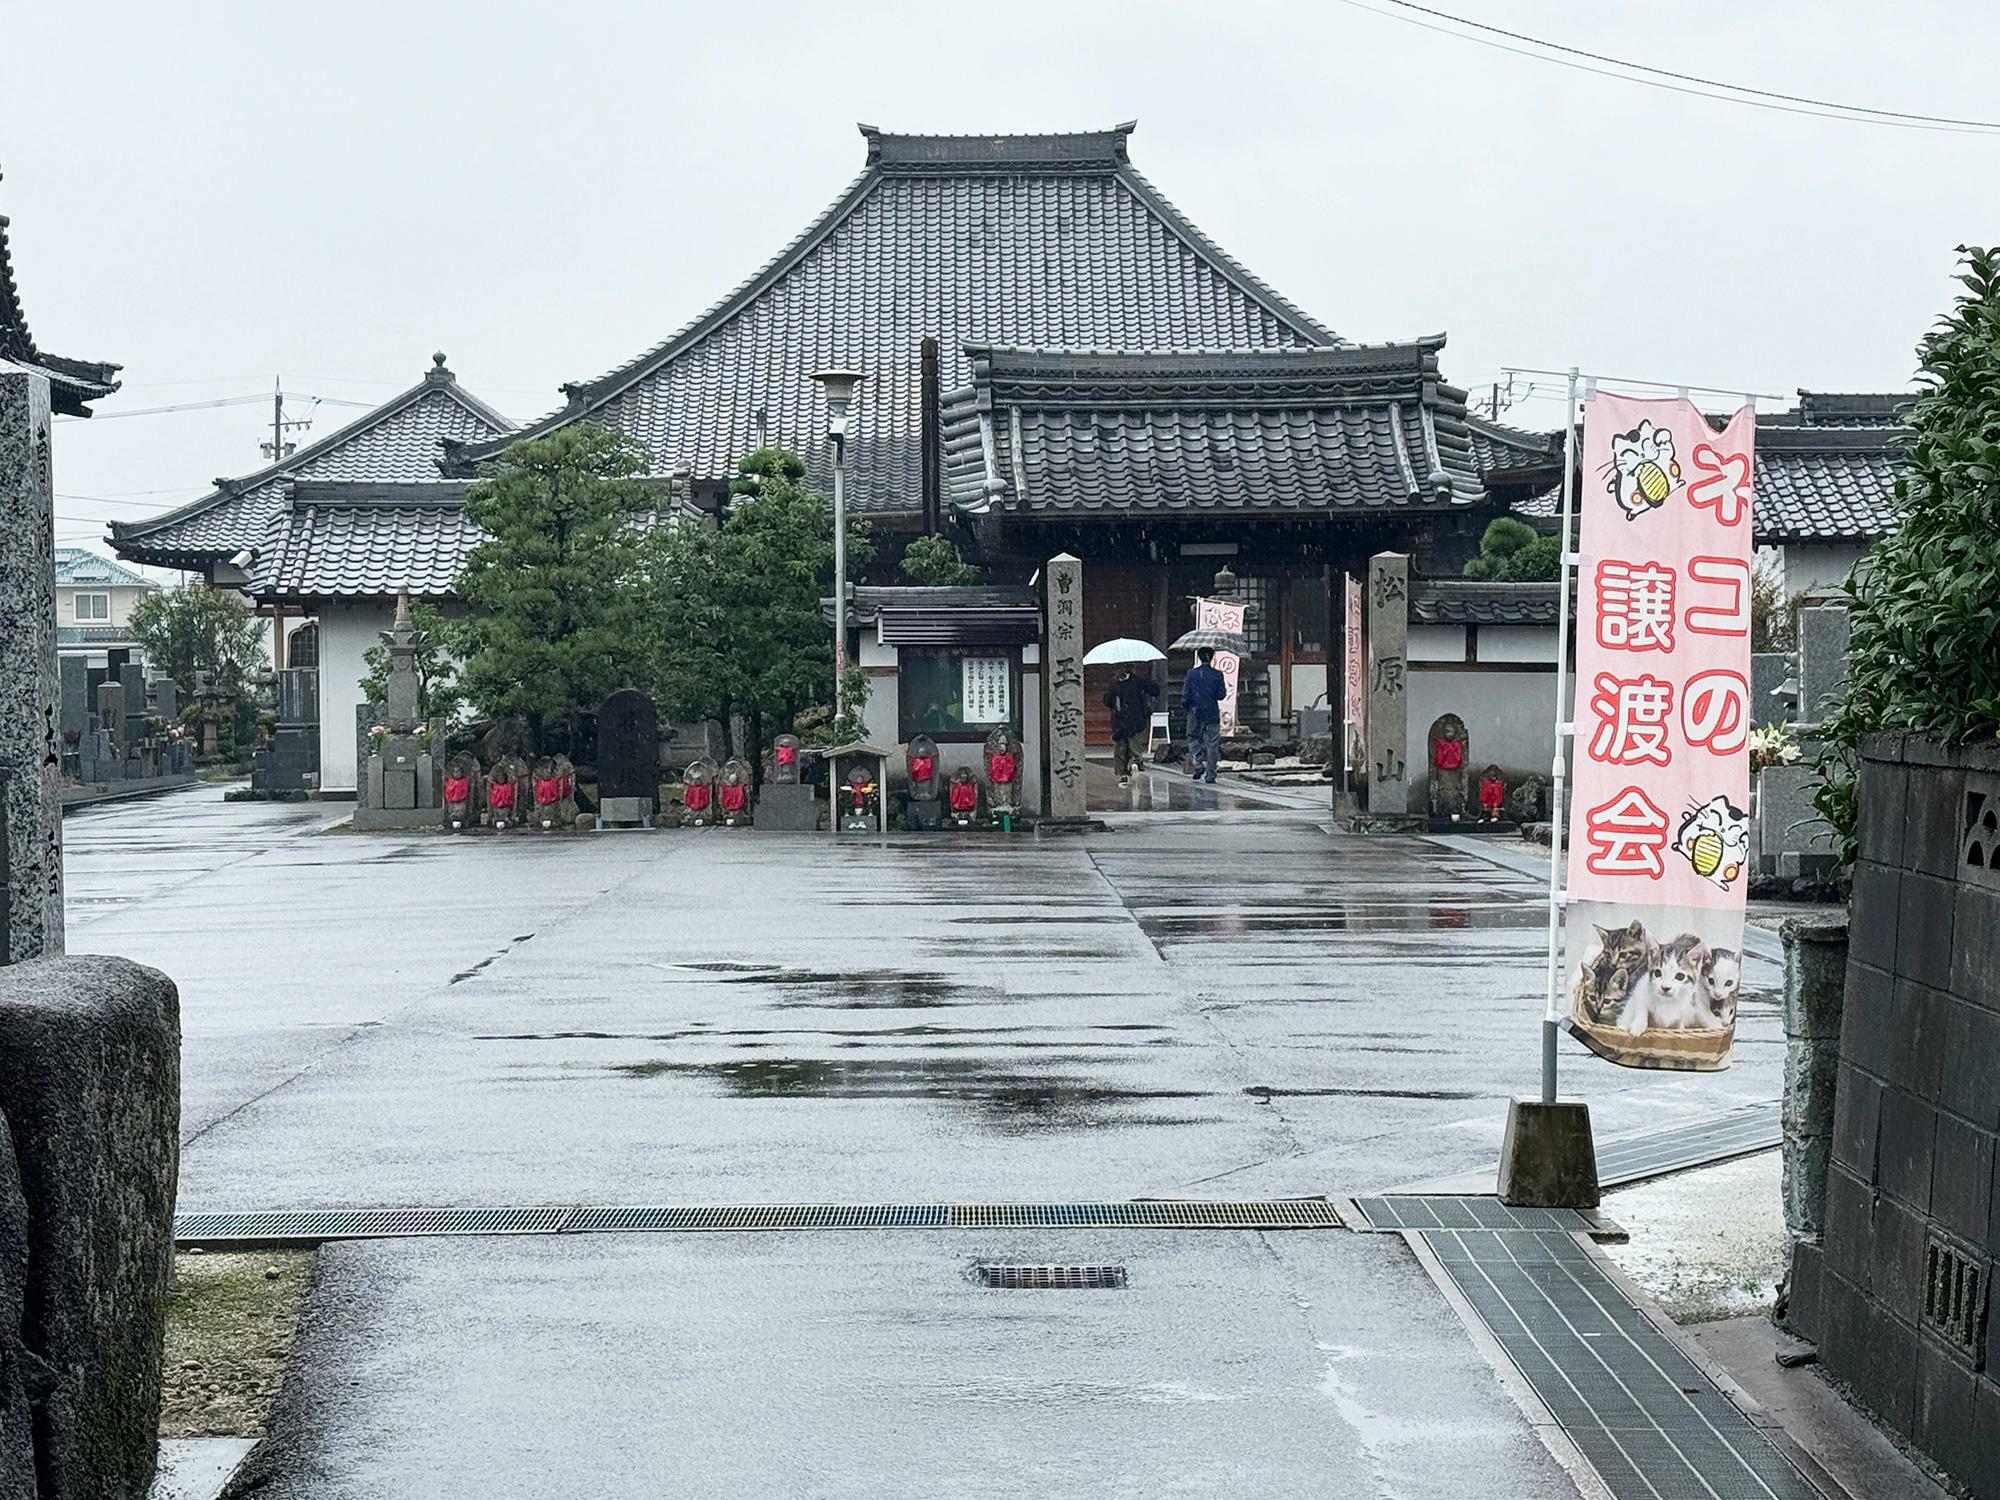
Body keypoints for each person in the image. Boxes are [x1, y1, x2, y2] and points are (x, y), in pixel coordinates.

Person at [1102, 668, 1160, 786]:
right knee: (1134, 745)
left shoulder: (1114, 683)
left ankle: (1123, 774)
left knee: (1121, 748)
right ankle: (1135, 762)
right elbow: (1154, 690)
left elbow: (1107, 701)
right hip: (1135, 719)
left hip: (1119, 720)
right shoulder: (1138, 681)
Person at [1181, 646, 1227, 784]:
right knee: (1212, 744)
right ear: (1212, 657)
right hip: (1212, 712)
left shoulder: (1191, 674)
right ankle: (1211, 775)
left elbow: (1185, 695)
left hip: (1195, 711)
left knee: (1192, 738)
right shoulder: (1218, 675)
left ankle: (1198, 763)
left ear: (1199, 657)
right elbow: (1221, 695)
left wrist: (1187, 706)